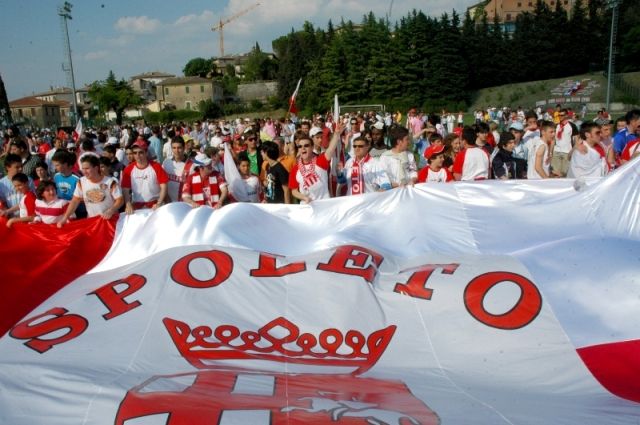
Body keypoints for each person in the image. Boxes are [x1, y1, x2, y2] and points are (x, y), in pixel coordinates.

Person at [57, 155, 123, 226]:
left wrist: (111, 210)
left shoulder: (110, 182)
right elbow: (75, 201)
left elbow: (120, 200)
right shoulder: (81, 181)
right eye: (83, 169)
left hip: (110, 221)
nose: (84, 172)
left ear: (96, 168)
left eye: (87, 168)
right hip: (93, 222)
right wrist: (65, 218)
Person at [289, 121, 343, 204]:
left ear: (312, 147)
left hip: (323, 205)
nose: (303, 148)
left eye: (306, 145)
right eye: (300, 146)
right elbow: (294, 191)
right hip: (306, 206)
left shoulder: (320, 161)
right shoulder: (295, 169)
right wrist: (304, 197)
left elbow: (330, 149)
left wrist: (336, 134)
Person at [121, 140, 168, 214]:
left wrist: (159, 203)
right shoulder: (128, 169)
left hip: (155, 206)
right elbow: (125, 190)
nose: (137, 155)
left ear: (146, 153)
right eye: (135, 153)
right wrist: (128, 204)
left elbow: (164, 186)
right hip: (137, 207)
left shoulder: (156, 166)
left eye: (141, 152)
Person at [162, 136, 194, 203]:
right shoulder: (166, 162)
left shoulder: (191, 165)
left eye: (179, 148)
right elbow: (162, 183)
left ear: (184, 148)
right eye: (174, 148)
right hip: (168, 202)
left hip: (184, 204)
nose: (176, 151)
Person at [552, 108, 572, 177]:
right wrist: (551, 151)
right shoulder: (557, 126)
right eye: (559, 115)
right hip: (557, 151)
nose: (560, 117)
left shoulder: (571, 126)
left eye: (562, 115)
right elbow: (553, 139)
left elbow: (576, 139)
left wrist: (572, 152)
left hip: (566, 152)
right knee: (555, 173)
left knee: (564, 173)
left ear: (566, 115)